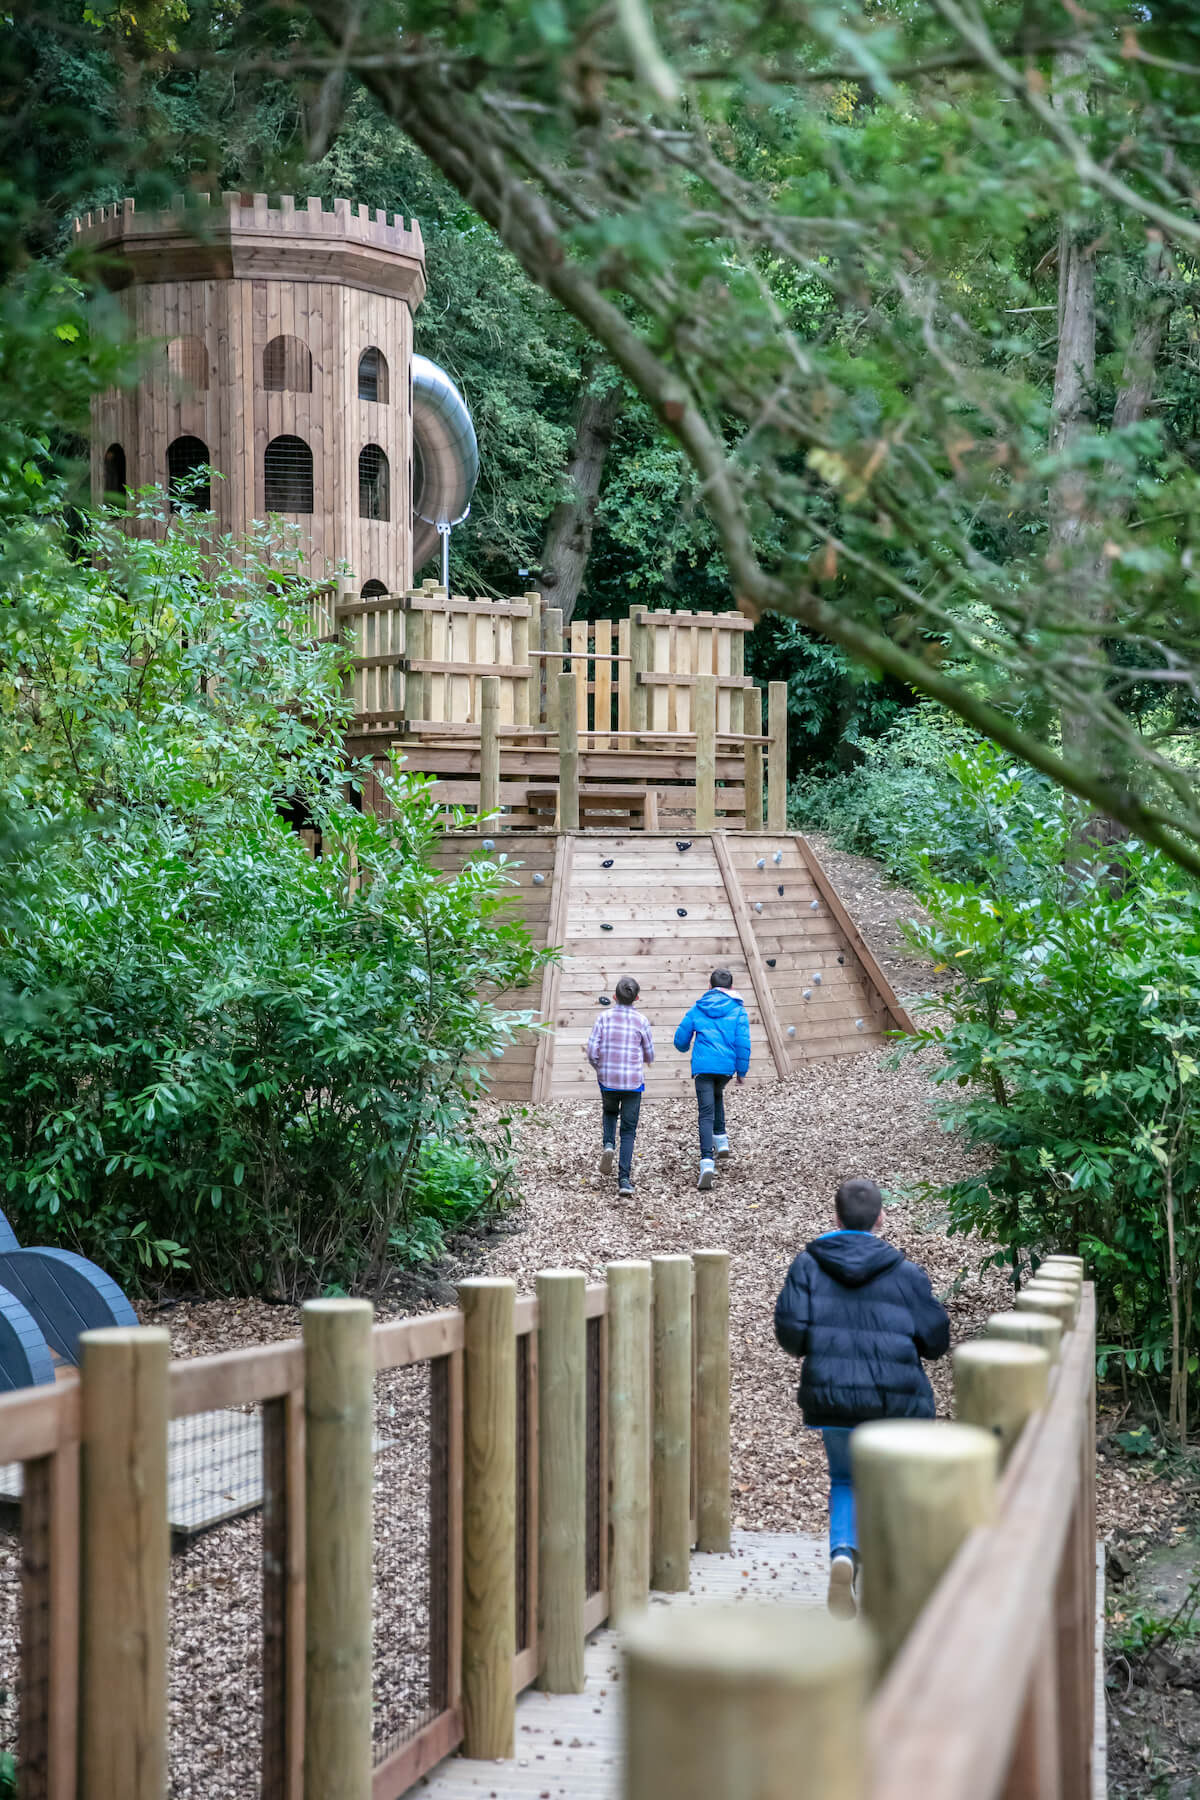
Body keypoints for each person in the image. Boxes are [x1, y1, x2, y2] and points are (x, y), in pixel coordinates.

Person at [773, 1177, 950, 1620]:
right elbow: (936, 1338)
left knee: (846, 1479)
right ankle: (891, 1576)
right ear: (881, 1218)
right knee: (891, 1481)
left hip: (832, 1397)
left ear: (835, 1217)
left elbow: (790, 1333)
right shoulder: (905, 1271)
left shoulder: (808, 1265)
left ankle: (843, 1555)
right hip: (895, 1403)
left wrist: (817, 1344)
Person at [673, 968, 751, 1190]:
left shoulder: (699, 1008)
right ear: (731, 988)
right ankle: (721, 1137)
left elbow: (680, 1040)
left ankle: (707, 1160)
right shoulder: (738, 1010)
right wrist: (741, 1072)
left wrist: (685, 1046)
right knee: (718, 1095)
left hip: (703, 1067)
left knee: (706, 1112)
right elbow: (743, 1042)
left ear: (710, 986)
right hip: (725, 1068)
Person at [585, 976, 655, 1196]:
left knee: (609, 1111)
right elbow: (649, 1053)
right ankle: (624, 1180)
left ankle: (607, 1144)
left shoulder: (603, 1018)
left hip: (608, 1079)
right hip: (633, 1082)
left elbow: (592, 1051)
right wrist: (643, 1059)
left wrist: (599, 1068)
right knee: (628, 1130)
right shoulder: (641, 1021)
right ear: (637, 998)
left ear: (614, 997)